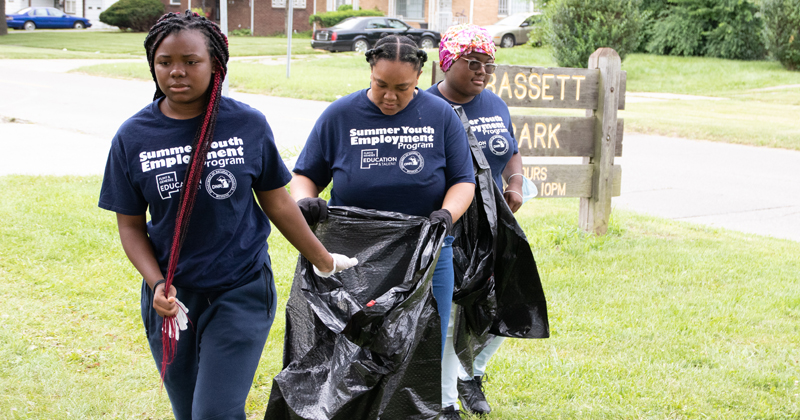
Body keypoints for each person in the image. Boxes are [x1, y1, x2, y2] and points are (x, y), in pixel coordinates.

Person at [98, 11, 356, 420]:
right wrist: (157, 283)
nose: (176, 72)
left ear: (215, 64)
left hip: (241, 288)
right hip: (172, 298)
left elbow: (277, 202)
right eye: (165, 62)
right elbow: (130, 226)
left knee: (214, 412)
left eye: (191, 61)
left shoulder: (247, 124)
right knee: (189, 412)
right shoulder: (133, 136)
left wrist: (323, 259)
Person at [290, 34, 476, 417]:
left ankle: (419, 410)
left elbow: (464, 180)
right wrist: (305, 200)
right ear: (370, 73)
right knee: (352, 341)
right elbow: (306, 174)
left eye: (402, 89)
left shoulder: (441, 116)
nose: (390, 97)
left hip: (426, 253)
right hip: (354, 257)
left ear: (422, 76)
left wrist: (446, 214)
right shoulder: (340, 115)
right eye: (381, 86)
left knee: (423, 343)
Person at [427, 24, 524, 419]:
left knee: (509, 302)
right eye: (472, 62)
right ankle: (447, 399)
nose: (482, 71)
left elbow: (511, 149)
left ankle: (472, 373)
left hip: (493, 225)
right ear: (446, 63)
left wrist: (515, 182)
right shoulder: (428, 107)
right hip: (449, 228)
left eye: (489, 64)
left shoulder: (495, 105)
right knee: (452, 316)